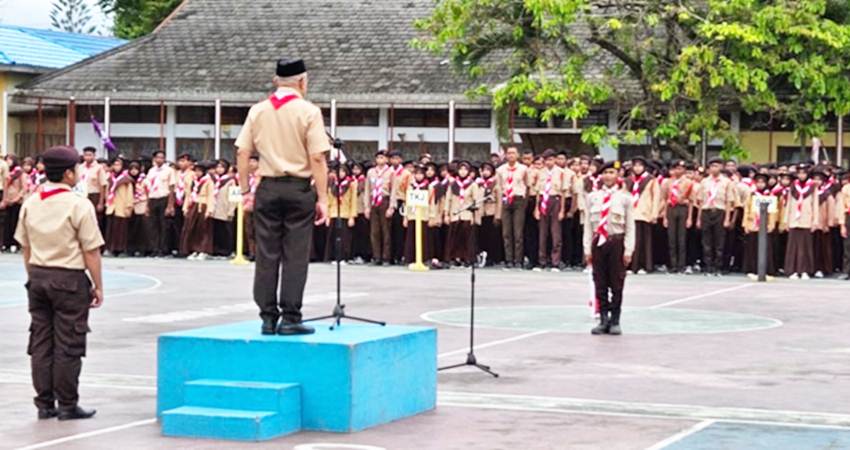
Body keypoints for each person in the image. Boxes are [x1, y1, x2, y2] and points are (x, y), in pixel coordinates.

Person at [235, 57, 330, 336]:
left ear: (276, 81)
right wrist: (322, 198)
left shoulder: (258, 110)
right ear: (302, 81)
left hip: (267, 187)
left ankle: (267, 316)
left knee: (266, 253)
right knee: (295, 255)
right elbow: (317, 156)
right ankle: (291, 316)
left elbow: (242, 151)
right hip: (298, 188)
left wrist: (244, 190)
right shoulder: (309, 111)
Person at [16, 145, 104, 421]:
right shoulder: (78, 204)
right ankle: (67, 404)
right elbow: (91, 250)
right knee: (68, 343)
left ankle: (44, 404)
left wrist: (32, 275)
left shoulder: (32, 201)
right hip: (68, 278)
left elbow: (25, 245)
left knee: (41, 341)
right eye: (76, 169)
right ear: (68, 174)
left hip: (38, 275)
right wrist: (98, 285)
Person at [584, 161, 634, 336]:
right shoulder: (592, 197)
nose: (608, 176)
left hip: (616, 242)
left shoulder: (625, 198)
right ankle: (603, 319)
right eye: (605, 173)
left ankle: (615, 320)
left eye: (612, 172)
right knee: (600, 282)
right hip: (598, 243)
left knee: (617, 282)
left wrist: (628, 250)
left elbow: (630, 227)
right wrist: (587, 249)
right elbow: (588, 226)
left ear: (617, 176)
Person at [696, 158, 735, 276]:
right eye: (712, 166)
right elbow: (700, 202)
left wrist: (727, 218)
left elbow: (729, 201)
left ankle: (718, 267)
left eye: (717, 166)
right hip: (706, 211)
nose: (714, 168)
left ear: (721, 167)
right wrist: (698, 219)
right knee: (706, 241)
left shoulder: (726, 182)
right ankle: (708, 266)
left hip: (720, 211)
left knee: (719, 241)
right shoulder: (704, 182)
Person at [495, 146, 530, 269]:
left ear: (517, 155)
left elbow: (527, 185)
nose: (510, 155)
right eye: (508, 153)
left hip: (518, 200)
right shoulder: (500, 170)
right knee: (506, 232)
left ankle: (518, 260)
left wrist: (525, 201)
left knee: (518, 232)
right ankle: (508, 259)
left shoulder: (523, 169)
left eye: (513, 153)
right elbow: (498, 188)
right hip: (505, 200)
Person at [534, 150, 566, 272]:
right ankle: (542, 260)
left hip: (555, 200)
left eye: (551, 159)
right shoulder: (540, 173)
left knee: (555, 233)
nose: (549, 162)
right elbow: (537, 192)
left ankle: (555, 262)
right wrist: (536, 208)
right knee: (542, 233)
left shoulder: (561, 173)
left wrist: (562, 210)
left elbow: (563, 192)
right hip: (543, 201)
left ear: (555, 160)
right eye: (546, 160)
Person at [626, 157, 660, 274]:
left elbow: (656, 197)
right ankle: (631, 266)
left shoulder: (650, 180)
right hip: (631, 213)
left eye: (640, 166)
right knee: (632, 241)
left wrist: (654, 214)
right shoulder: (629, 180)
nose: (637, 168)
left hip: (645, 213)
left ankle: (644, 265)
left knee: (645, 241)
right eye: (635, 165)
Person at [660, 160, 694, 274]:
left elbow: (691, 201)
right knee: (671, 239)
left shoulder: (689, 182)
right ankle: (673, 265)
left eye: (680, 168)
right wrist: (664, 216)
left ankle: (681, 265)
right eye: (676, 168)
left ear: (684, 170)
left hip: (682, 208)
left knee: (681, 238)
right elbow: (665, 200)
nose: (678, 171)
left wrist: (689, 217)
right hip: (671, 209)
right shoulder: (668, 183)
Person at [784, 165, 817, 279]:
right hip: (794, 219)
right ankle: (792, 270)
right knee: (793, 247)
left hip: (806, 219)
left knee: (805, 247)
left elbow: (815, 205)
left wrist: (815, 221)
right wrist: (786, 220)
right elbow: (788, 204)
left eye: (804, 173)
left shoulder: (812, 186)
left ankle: (804, 271)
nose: (801, 175)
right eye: (799, 173)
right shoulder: (793, 186)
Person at [443, 161, 480, 266]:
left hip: (467, 214)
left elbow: (476, 201)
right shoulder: (453, 184)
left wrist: (474, 216)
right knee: (454, 237)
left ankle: (467, 258)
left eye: (465, 170)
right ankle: (454, 257)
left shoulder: (472, 184)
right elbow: (448, 199)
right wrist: (446, 214)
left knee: (467, 238)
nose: (463, 172)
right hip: (455, 214)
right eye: (461, 169)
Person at [741, 173, 778, 276]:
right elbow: (746, 210)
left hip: (765, 225)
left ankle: (767, 269)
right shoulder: (752, 195)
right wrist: (745, 224)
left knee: (766, 248)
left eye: (762, 182)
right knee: (752, 248)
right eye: (758, 182)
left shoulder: (770, 195)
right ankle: (751, 269)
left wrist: (771, 225)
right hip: (753, 224)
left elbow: (773, 212)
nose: (760, 184)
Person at [145, 150, 177, 257]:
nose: (160, 159)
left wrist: (170, 205)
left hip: (164, 198)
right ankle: (155, 248)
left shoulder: (169, 170)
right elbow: (148, 188)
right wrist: (147, 205)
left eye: (162, 157)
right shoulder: (151, 171)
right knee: (153, 225)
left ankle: (164, 249)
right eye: (158, 157)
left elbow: (172, 188)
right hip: (153, 198)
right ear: (154, 159)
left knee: (164, 225)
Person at [365, 150, 394, 265]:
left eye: (382, 158)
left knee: (386, 231)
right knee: (374, 231)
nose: (380, 160)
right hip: (374, 201)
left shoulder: (391, 172)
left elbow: (393, 190)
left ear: (386, 159)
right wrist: (367, 206)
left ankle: (386, 257)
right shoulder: (371, 172)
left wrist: (391, 207)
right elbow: (367, 190)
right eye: (378, 158)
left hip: (384, 200)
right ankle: (376, 256)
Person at [181, 161, 214, 260]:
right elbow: (188, 194)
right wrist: (185, 207)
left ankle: (204, 250)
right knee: (192, 229)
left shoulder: (208, 181)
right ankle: (194, 249)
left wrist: (209, 209)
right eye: (196, 171)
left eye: (200, 171)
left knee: (203, 229)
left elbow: (210, 196)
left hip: (203, 205)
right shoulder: (193, 181)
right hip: (193, 204)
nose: (197, 173)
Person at [325, 162, 358, 262]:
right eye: (339, 171)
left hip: (345, 213)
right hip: (333, 213)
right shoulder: (332, 184)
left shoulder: (351, 184)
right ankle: (334, 257)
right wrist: (327, 216)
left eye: (343, 171)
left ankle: (344, 257)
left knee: (345, 237)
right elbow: (328, 200)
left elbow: (353, 201)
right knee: (333, 237)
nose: (340, 173)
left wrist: (352, 216)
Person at [104, 158, 134, 256]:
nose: (117, 167)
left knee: (121, 229)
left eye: (119, 165)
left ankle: (121, 249)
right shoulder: (109, 178)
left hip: (122, 206)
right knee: (111, 229)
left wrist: (129, 207)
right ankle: (110, 248)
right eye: (115, 164)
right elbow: (106, 192)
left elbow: (130, 194)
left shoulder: (126, 179)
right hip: (111, 206)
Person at [211, 160, 237, 257]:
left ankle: (227, 250)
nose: (219, 169)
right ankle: (217, 249)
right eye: (217, 167)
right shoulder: (215, 180)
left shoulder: (231, 180)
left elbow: (234, 197)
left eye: (222, 167)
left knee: (227, 231)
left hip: (225, 209)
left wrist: (231, 210)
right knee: (217, 230)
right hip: (215, 209)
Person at [78, 147, 107, 230]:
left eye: (90, 155)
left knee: (95, 218)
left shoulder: (99, 168)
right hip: (82, 195)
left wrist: (101, 202)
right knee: (83, 217)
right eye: (86, 155)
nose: (87, 157)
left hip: (94, 195)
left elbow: (102, 185)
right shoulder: (80, 167)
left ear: (94, 156)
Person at [2, 155, 25, 252]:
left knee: (15, 223)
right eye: (7, 160)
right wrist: (5, 199)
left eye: (10, 160)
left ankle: (15, 243)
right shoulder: (7, 174)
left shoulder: (20, 173)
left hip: (17, 201)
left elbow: (24, 187)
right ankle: (6, 243)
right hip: (8, 200)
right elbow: (5, 187)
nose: (8, 161)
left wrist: (17, 198)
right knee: (6, 223)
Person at [838, 171, 850, 280]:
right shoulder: (846, 188)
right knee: (847, 246)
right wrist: (842, 224)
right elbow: (841, 207)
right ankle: (846, 271)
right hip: (848, 217)